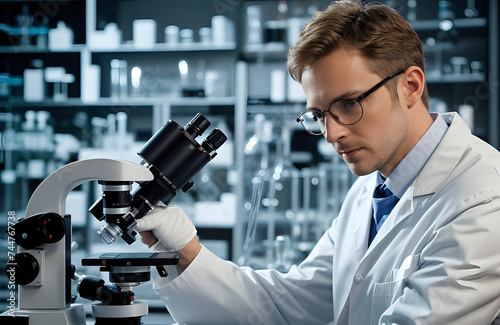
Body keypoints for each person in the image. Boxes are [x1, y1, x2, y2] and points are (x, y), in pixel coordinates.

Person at [135, 1, 500, 324]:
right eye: (319, 115)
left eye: (349, 104)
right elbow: (292, 303)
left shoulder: (484, 196)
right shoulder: (370, 191)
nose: (331, 134)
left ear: (410, 87)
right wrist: (185, 252)